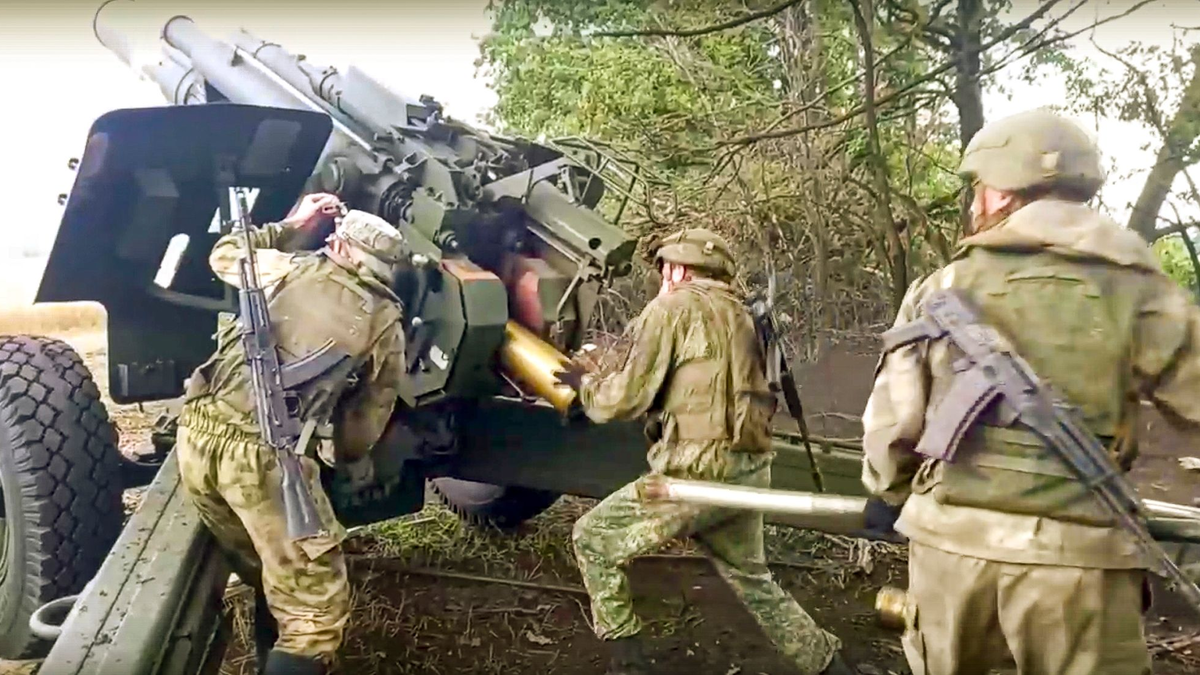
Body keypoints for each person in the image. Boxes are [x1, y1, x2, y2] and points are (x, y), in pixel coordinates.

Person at [862, 109, 1200, 675]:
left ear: (999, 192)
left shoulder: (944, 285)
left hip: (952, 549)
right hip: (1079, 561)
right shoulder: (1140, 288)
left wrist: (886, 490)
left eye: (978, 188)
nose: (975, 203)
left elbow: (896, 416)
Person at [556, 228, 851, 675]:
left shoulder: (671, 309)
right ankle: (830, 666)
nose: (662, 279)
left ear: (677, 268)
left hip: (696, 475)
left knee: (593, 538)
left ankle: (629, 663)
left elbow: (624, 399)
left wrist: (585, 386)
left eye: (664, 270)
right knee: (754, 580)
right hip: (749, 468)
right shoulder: (745, 313)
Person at [177, 193, 408, 675]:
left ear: (339, 245)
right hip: (265, 459)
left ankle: (273, 654)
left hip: (196, 439)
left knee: (270, 570)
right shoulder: (383, 318)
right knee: (315, 613)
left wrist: (291, 223)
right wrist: (341, 459)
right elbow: (372, 411)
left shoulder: (285, 267)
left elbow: (225, 253)